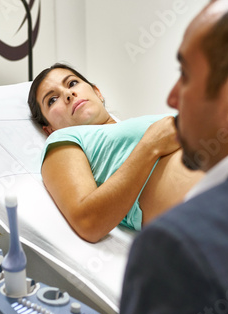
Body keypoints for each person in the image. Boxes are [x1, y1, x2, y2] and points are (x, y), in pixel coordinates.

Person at [119, 0, 228, 314]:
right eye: (50, 99)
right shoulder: (68, 142)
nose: (171, 98)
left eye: (184, 75)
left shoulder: (178, 248)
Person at [28, 63, 203, 243]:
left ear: (97, 92)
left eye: (72, 83)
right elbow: (88, 222)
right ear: (48, 129)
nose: (68, 94)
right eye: (52, 99)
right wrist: (151, 146)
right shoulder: (62, 139)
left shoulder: (137, 123)